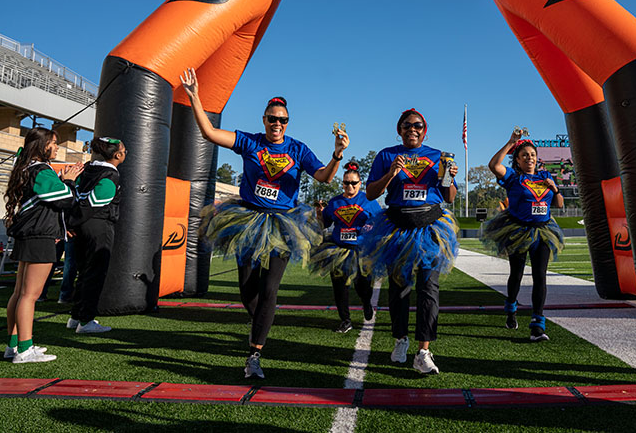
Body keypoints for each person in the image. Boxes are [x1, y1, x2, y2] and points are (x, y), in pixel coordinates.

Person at [180, 67, 348, 379]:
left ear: (288, 123)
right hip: (247, 220)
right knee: (247, 291)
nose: (277, 124)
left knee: (270, 289)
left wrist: (337, 155)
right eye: (272, 118)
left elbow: (324, 176)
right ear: (264, 120)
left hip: (283, 224)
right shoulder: (250, 142)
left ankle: (254, 353)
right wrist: (194, 97)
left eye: (283, 120)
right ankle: (262, 322)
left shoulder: (297, 149)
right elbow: (210, 134)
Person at [360, 108, 458, 375]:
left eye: (417, 125)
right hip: (397, 228)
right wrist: (390, 174)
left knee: (429, 289)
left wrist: (449, 175)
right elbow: (370, 193)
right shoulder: (386, 155)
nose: (412, 129)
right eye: (406, 125)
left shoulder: (437, 156)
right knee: (399, 289)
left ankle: (423, 351)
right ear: (399, 129)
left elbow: (449, 196)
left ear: (424, 130)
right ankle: (400, 339)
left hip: (430, 228)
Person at [3, 127, 82, 363]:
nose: (57, 147)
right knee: (30, 295)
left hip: (31, 235)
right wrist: (68, 181)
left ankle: (13, 346)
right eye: (54, 143)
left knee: (20, 293)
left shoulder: (29, 168)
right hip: (39, 236)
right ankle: (25, 349)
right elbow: (66, 199)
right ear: (42, 146)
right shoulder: (41, 171)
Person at [484, 131, 564, 342]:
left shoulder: (545, 177)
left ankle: (537, 324)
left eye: (533, 155)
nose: (530, 158)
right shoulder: (513, 177)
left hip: (543, 230)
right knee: (517, 274)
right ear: (517, 160)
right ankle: (511, 307)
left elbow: (559, 204)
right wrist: (511, 142)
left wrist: (555, 189)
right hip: (518, 230)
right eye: (525, 155)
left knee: (540, 277)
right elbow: (493, 166)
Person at [310, 161, 381, 333]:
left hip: (362, 250)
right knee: (340, 286)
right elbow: (325, 223)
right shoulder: (335, 202)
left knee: (363, 286)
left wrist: (371, 227)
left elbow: (379, 221)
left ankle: (366, 303)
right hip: (339, 250)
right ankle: (345, 320)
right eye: (346, 182)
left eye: (353, 183)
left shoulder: (369, 201)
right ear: (342, 183)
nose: (350, 186)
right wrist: (319, 214)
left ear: (360, 183)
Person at [65, 137, 127, 334]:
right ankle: (86, 320)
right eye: (123, 150)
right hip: (98, 226)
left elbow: (76, 198)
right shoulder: (110, 175)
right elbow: (93, 203)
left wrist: (71, 222)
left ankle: (75, 317)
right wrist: (75, 219)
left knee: (83, 271)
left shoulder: (88, 169)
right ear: (117, 155)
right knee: (95, 273)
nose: (125, 153)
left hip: (82, 227)